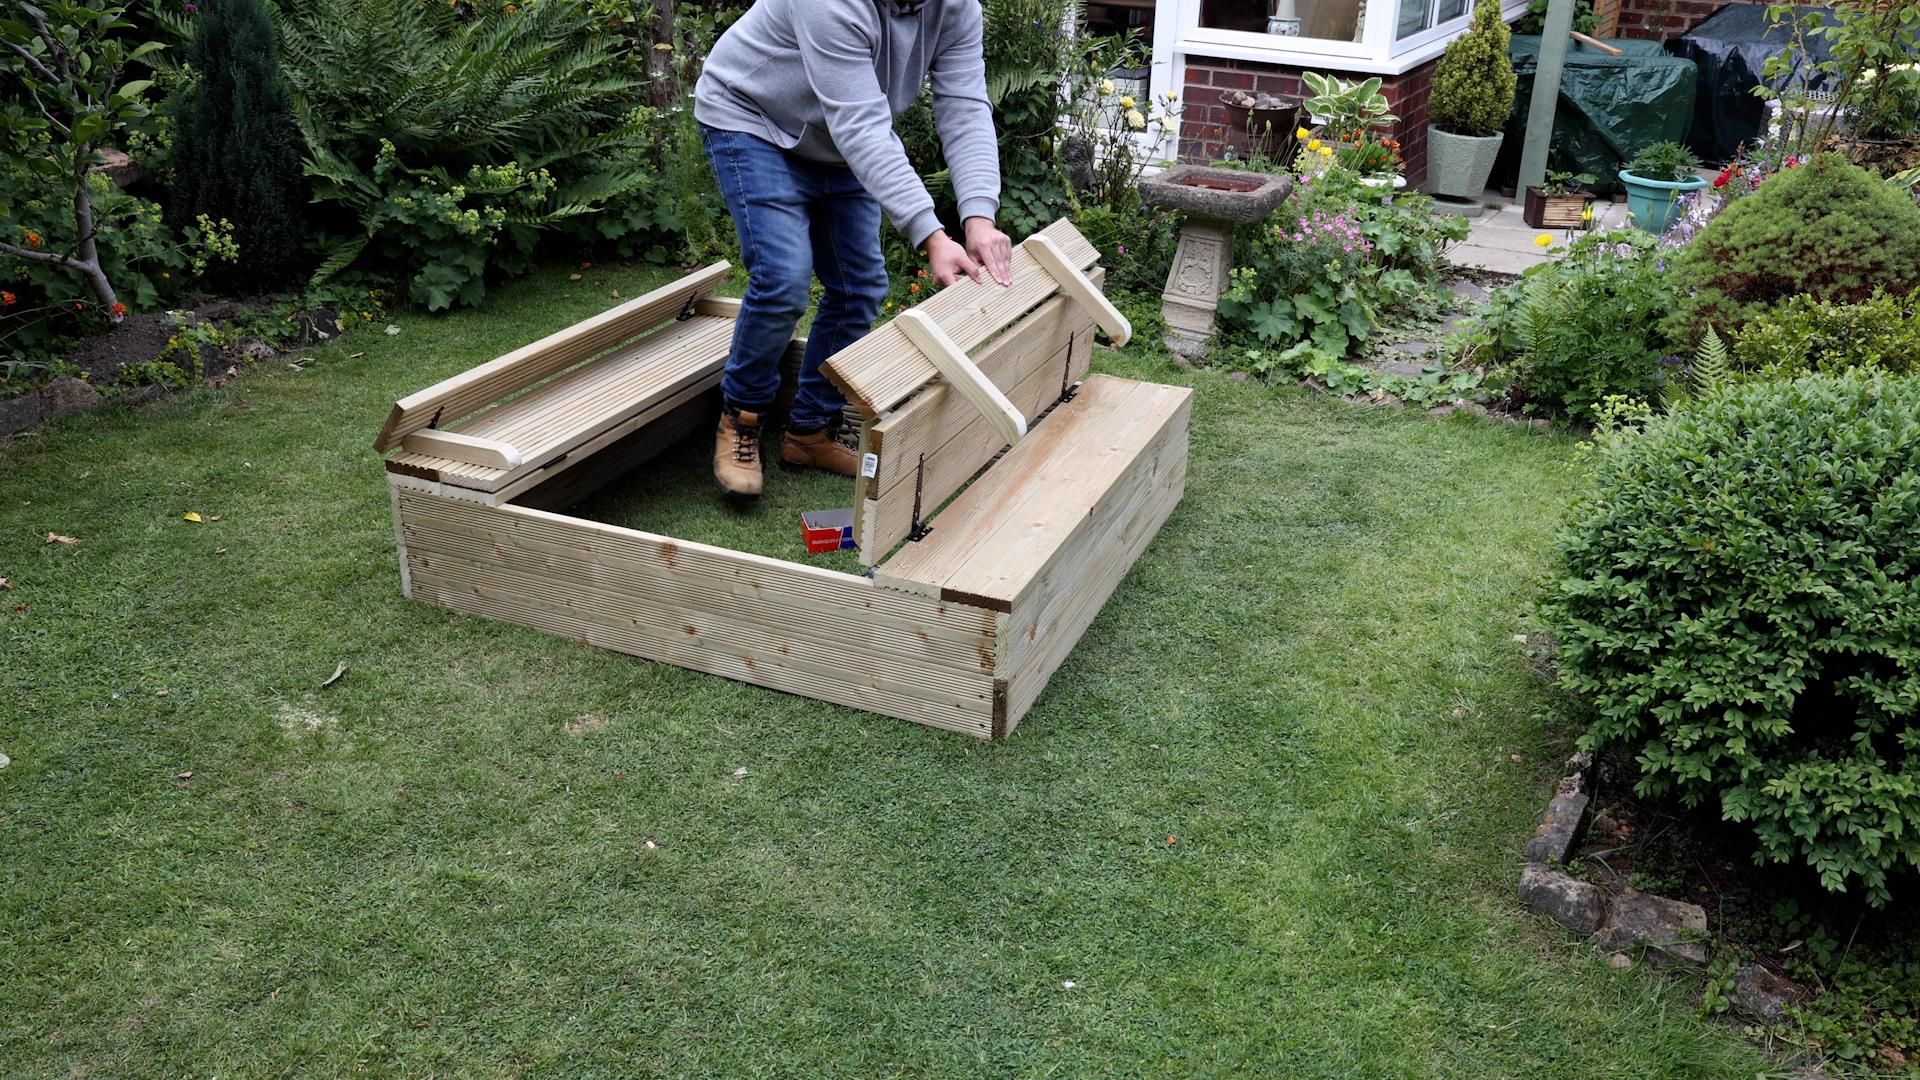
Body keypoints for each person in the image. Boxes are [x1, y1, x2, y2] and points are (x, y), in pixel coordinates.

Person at [693, 0, 1014, 500]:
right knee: (783, 279)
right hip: (754, 119)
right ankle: (742, 417)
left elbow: (965, 106)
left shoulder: (956, 7)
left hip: (837, 140)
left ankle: (809, 432)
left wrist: (979, 217)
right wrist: (932, 235)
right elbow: (861, 126)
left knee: (859, 286)